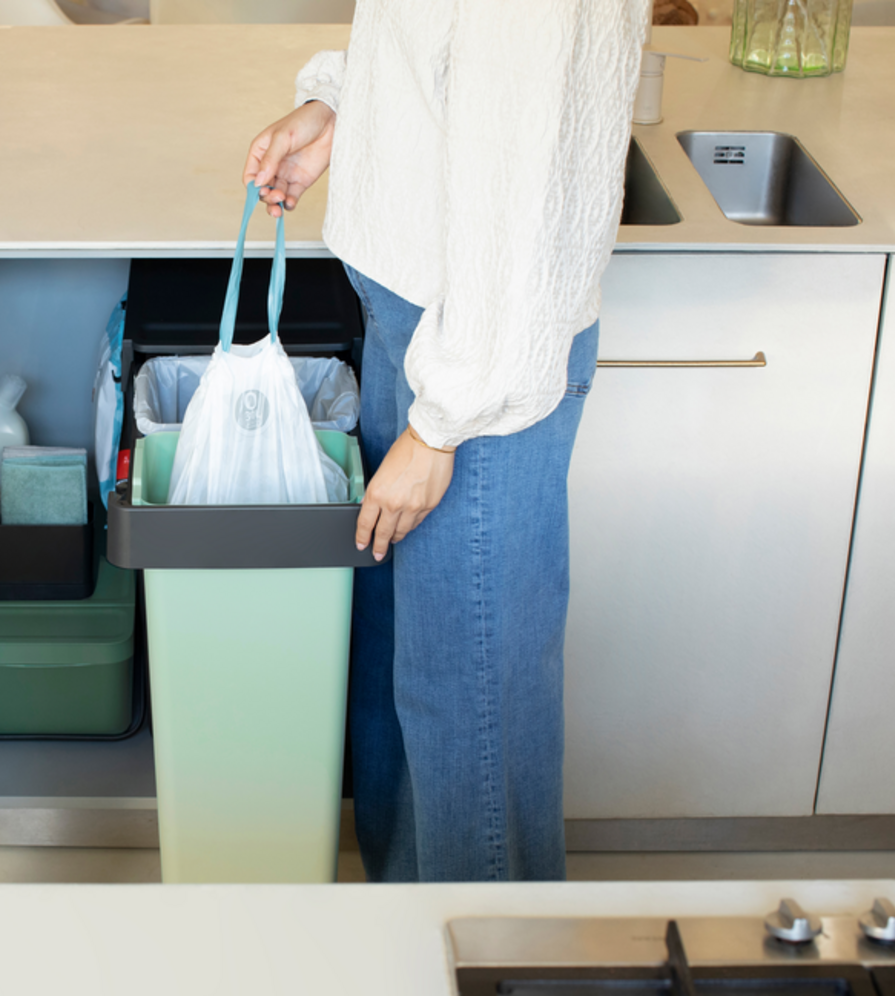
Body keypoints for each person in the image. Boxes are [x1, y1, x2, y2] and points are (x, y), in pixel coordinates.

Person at [244, 3, 651, 883]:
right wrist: (342, 104)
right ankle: (409, 929)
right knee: (410, 678)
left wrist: (441, 422)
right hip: (423, 320)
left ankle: (488, 948)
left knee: (470, 706)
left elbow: (520, 168)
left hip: (476, 359)